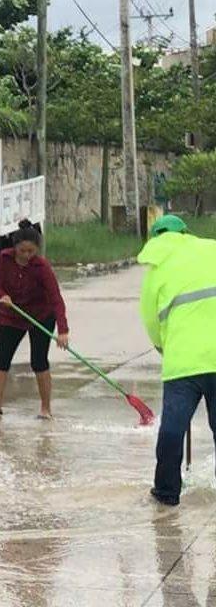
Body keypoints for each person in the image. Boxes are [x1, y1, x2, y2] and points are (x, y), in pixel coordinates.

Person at [141, 215, 216, 506]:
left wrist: (163, 346)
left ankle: (166, 492)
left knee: (172, 429)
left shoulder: (156, 270)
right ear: (186, 232)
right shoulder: (211, 249)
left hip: (183, 363)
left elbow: (150, 320)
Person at [0, 220, 69, 420]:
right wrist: (3, 296)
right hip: (12, 314)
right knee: (1, 360)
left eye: (31, 251)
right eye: (23, 251)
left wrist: (63, 331)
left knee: (38, 361)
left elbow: (56, 299)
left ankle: (46, 409)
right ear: (14, 247)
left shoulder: (42, 266)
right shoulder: (3, 258)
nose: (27, 255)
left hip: (40, 317)